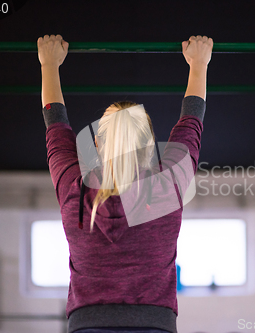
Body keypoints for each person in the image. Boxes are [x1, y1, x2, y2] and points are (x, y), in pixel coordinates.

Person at [38, 34, 213, 333]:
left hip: (87, 325)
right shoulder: (165, 189)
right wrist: (199, 63)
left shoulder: (74, 192)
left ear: (96, 143)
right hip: (155, 326)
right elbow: (191, 123)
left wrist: (49, 63)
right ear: (150, 147)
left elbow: (56, 127)